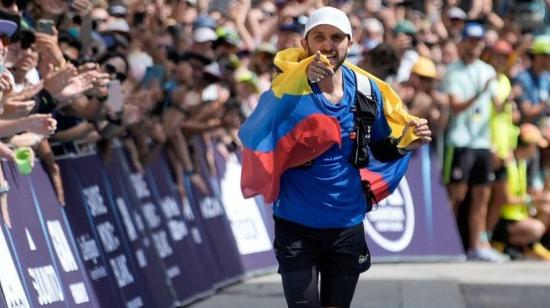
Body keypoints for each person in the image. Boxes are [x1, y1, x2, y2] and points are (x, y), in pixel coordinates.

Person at [239, 6, 431, 307]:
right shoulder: (288, 87)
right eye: (319, 37)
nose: (328, 45)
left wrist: (406, 145)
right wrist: (299, 78)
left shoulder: (368, 90)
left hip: (346, 224)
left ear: (349, 43)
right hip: (296, 224)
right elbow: (256, 132)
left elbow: (379, 148)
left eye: (336, 37)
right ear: (305, 44)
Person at [442, 22, 508, 261]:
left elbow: (497, 107)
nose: (476, 45)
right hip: (460, 142)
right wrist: (481, 92)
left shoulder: (488, 71)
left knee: (482, 196)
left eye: (479, 41)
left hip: (482, 143)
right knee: (456, 195)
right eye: (471, 40)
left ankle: (477, 246)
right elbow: (457, 107)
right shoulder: (453, 71)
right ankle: (445, 243)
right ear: (463, 43)